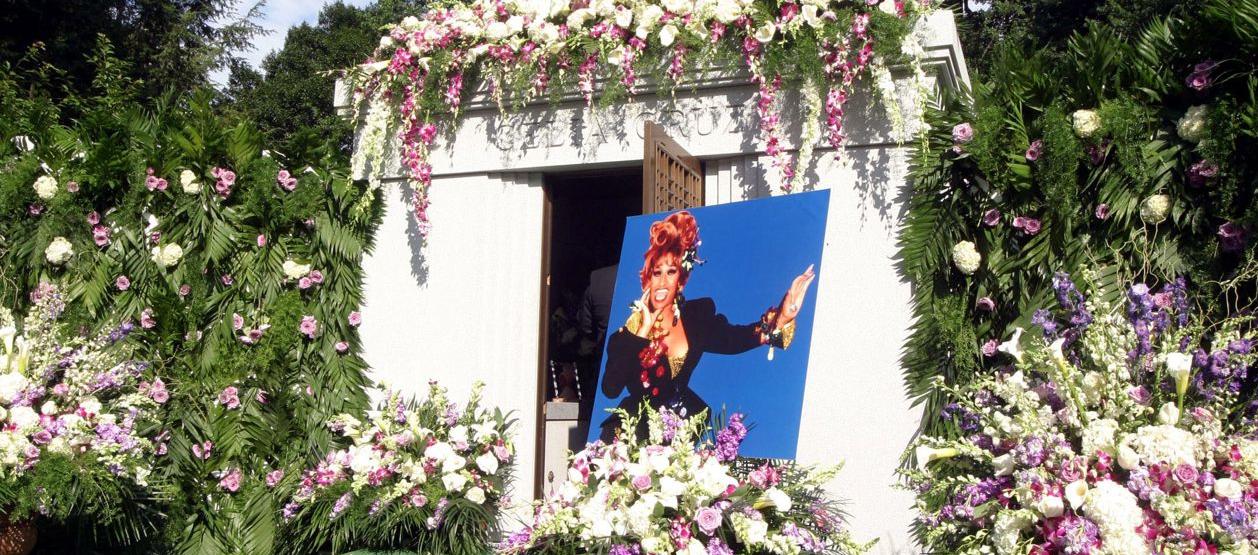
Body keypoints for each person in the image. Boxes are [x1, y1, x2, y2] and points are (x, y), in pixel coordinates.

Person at [598, 210, 815, 442]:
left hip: (677, 431)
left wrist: (782, 317)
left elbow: (734, 339)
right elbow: (611, 389)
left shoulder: (697, 317)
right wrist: (641, 333)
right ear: (647, 278)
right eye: (656, 272)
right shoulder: (626, 334)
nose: (662, 282)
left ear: (680, 277)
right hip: (627, 436)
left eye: (670, 272)